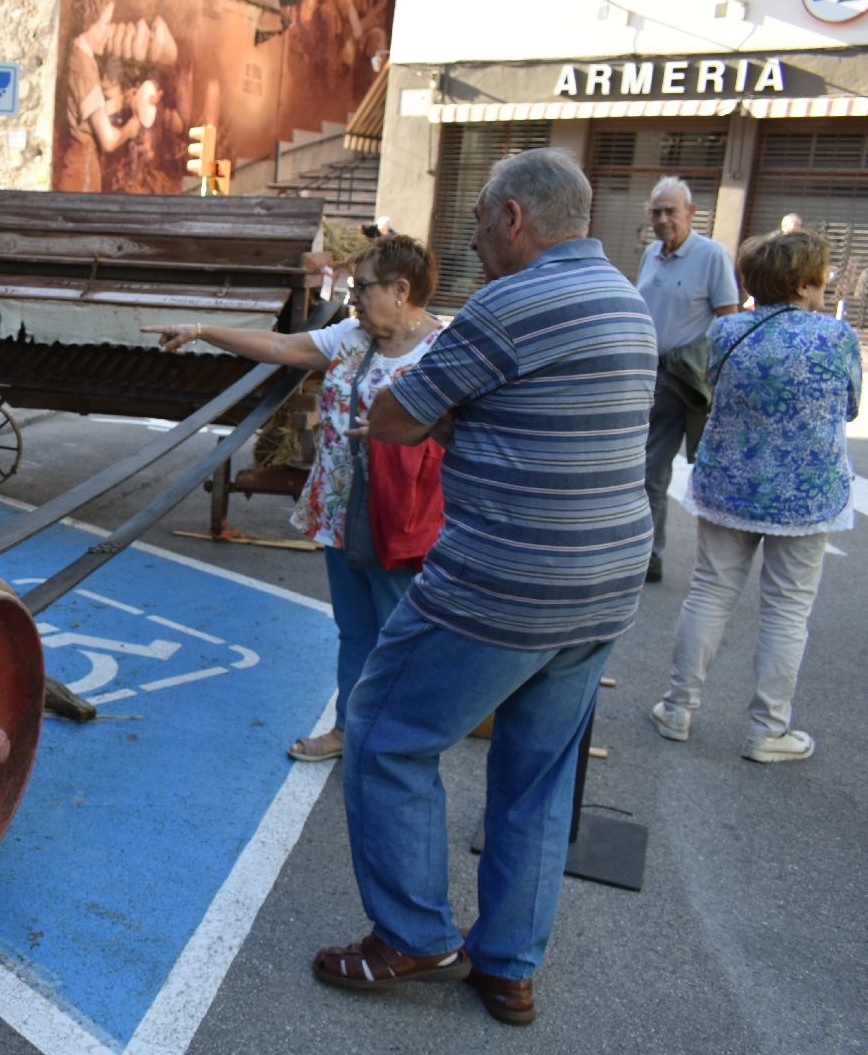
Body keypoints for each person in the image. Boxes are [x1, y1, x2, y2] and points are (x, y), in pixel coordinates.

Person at [310, 148, 655, 1027]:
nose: (471, 240)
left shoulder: (509, 304)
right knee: (536, 778)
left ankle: (413, 936)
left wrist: (460, 409)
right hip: (604, 584)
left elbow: (393, 416)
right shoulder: (628, 299)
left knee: (385, 732)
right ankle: (507, 967)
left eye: (476, 223)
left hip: (503, 581)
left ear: (512, 220)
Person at [143, 235, 445, 763]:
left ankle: (404, 740)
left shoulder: (445, 349)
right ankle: (349, 730)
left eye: (363, 288)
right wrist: (200, 330)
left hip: (401, 518)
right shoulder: (352, 336)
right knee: (355, 631)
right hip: (341, 511)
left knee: (401, 634)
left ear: (401, 289)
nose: (353, 299)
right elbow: (281, 346)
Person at [650, 230, 860, 763]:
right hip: (806, 495)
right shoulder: (835, 338)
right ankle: (769, 730)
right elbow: (851, 408)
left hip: (729, 484)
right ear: (807, 284)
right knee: (787, 611)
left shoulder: (728, 332)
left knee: (710, 592)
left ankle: (677, 708)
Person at [636, 177, 739, 582]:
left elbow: (728, 319)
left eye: (670, 211)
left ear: (691, 213)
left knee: (654, 470)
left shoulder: (711, 255)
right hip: (645, 376)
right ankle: (643, 550)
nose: (662, 219)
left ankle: (650, 555)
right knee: (641, 470)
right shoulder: (650, 253)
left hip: (682, 380)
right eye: (656, 212)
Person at [56, 0, 160, 192]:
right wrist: (131, 128)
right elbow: (109, 139)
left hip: (82, 168)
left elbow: (94, 111)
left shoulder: (82, 58)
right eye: (105, 24)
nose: (109, 32)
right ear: (90, 21)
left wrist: (126, 101)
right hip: (81, 176)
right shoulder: (82, 67)